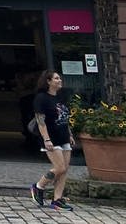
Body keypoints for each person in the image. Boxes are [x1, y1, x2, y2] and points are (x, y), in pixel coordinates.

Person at [29, 70, 75, 211]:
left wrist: (70, 134)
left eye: (59, 78)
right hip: (51, 138)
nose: (59, 80)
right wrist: (46, 139)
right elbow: (40, 121)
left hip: (63, 136)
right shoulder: (41, 98)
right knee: (59, 167)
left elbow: (64, 118)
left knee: (64, 170)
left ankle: (57, 199)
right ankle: (39, 186)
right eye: (56, 78)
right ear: (48, 81)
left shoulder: (61, 97)